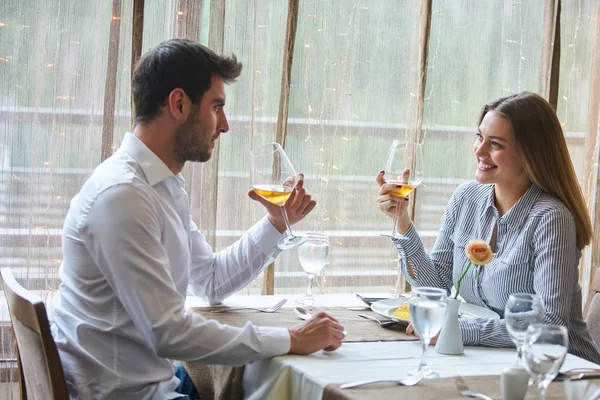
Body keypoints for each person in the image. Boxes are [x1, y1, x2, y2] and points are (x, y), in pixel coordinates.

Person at [51, 38, 345, 400]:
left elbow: (210, 281)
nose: (224, 125)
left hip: (150, 380)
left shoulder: (160, 186)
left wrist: (276, 224)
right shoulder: (124, 196)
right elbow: (169, 333)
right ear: (179, 104)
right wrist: (292, 338)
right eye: (217, 107)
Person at [376, 91, 600, 363]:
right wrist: (402, 221)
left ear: (531, 154)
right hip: (496, 360)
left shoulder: (551, 218)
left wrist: (460, 329)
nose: (479, 151)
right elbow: (437, 284)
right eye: (479, 137)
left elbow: (548, 322)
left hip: (564, 370)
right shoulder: (466, 197)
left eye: (496, 144)